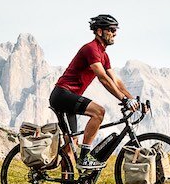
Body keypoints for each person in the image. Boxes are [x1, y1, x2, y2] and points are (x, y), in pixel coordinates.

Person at [50, 14, 135, 175]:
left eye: (116, 30)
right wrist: (123, 99)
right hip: (62, 94)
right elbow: (103, 78)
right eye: (111, 29)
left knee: (70, 147)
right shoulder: (91, 49)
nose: (115, 33)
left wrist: (131, 98)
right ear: (99, 31)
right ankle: (84, 158)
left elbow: (115, 80)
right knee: (99, 112)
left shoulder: (104, 55)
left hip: (68, 98)